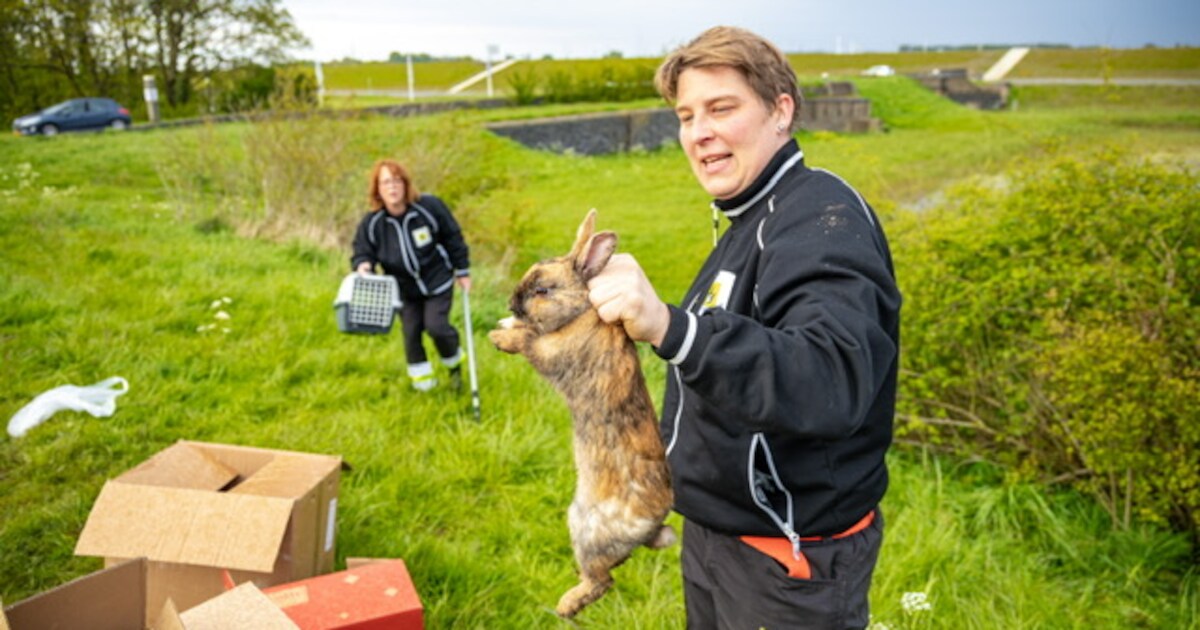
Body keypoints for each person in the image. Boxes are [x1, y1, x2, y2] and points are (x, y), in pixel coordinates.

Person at [586, 26, 901, 629]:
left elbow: (829, 378)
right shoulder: (751, 216)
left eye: (721, 108)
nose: (699, 132)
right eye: (685, 115)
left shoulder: (820, 217)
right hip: (718, 535)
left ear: (781, 110)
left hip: (785, 562)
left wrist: (673, 328)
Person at [351, 159, 471, 392]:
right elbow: (362, 250)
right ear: (378, 189)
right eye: (386, 182)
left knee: (437, 327)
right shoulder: (373, 223)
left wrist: (462, 270)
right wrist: (363, 265)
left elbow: (453, 237)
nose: (392, 187)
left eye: (397, 181)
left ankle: (455, 370)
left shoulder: (429, 207)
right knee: (411, 334)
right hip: (403, 291)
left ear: (405, 184)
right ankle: (425, 388)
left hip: (437, 282)